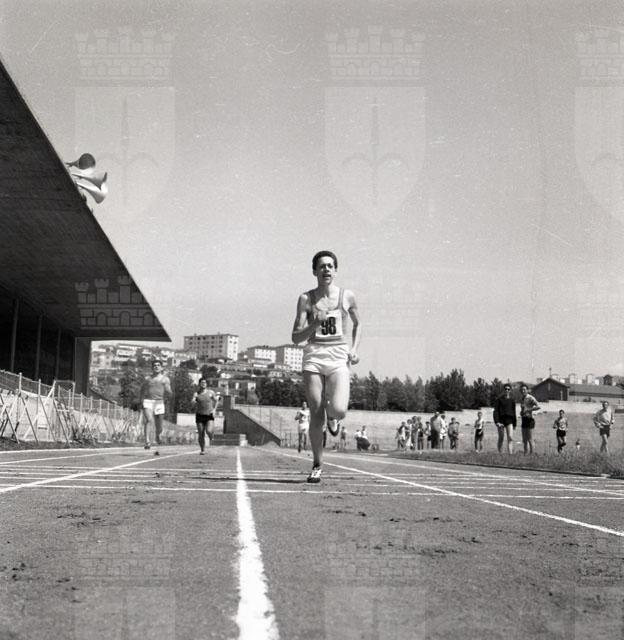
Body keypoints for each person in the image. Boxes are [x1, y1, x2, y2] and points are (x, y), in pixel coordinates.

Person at [291, 250, 362, 483]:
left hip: (338, 355)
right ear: (314, 271)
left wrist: (354, 349)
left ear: (336, 270)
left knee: (339, 410)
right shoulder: (305, 299)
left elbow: (358, 324)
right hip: (314, 356)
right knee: (316, 412)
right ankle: (317, 464)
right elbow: (295, 337)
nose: (326, 270)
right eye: (322, 266)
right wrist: (315, 324)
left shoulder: (347, 296)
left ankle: (334, 418)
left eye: (330, 266)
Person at [140, 359, 172, 453]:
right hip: (148, 401)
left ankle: (158, 435)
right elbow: (142, 390)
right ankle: (147, 441)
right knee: (149, 420)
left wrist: (168, 390)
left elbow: (169, 392)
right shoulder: (147, 379)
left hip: (159, 402)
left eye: (158, 365)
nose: (156, 366)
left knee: (159, 426)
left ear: (161, 368)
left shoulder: (165, 379)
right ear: (152, 368)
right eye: (154, 365)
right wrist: (141, 400)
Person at [192, 378, 219, 455]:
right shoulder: (196, 393)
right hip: (200, 415)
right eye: (202, 382)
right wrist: (193, 401)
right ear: (199, 384)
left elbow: (216, 400)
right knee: (201, 433)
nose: (203, 383)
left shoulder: (211, 392)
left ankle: (211, 435)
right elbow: (193, 401)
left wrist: (214, 410)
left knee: (209, 431)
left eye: (205, 382)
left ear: (206, 384)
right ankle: (202, 449)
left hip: (209, 415)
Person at [493, 384, 516, 453]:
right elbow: (496, 411)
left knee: (510, 437)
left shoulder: (512, 400)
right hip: (501, 420)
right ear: (503, 390)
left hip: (509, 420)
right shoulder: (499, 400)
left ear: (510, 390)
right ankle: (500, 453)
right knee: (501, 437)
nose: (507, 390)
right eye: (505, 389)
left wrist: (514, 423)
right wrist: (497, 422)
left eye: (508, 389)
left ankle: (510, 454)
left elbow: (514, 412)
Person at [519, 384, 540, 454]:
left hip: (530, 419)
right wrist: (521, 412)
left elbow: (538, 406)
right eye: (522, 390)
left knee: (530, 439)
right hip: (524, 419)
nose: (523, 391)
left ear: (527, 390)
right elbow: (523, 409)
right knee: (524, 440)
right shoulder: (522, 398)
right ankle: (525, 454)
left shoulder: (531, 398)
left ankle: (532, 454)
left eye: (524, 389)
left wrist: (529, 410)